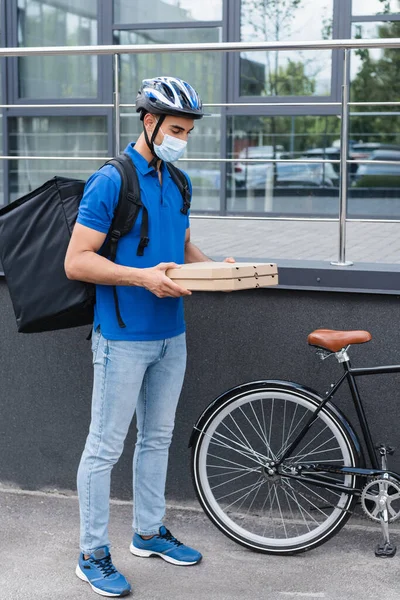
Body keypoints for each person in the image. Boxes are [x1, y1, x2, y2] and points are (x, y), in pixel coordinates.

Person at [64, 76, 234, 598]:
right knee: (105, 447)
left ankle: (148, 532)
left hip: (170, 335)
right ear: (149, 121)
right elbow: (77, 262)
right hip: (121, 335)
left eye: (188, 130)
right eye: (176, 128)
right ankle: (91, 553)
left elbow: (181, 246)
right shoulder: (112, 180)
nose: (183, 137)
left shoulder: (178, 181)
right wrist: (142, 277)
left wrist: (221, 271)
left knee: (157, 439)